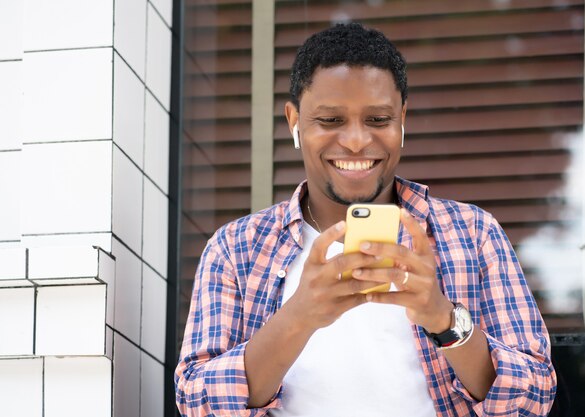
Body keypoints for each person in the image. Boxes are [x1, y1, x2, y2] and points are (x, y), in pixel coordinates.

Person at [175, 23, 557, 417]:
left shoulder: (473, 233)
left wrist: (444, 319)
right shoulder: (235, 248)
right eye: (330, 120)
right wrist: (298, 316)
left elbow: (534, 397)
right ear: (294, 122)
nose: (356, 141)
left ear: (402, 120)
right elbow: (196, 404)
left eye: (377, 120)